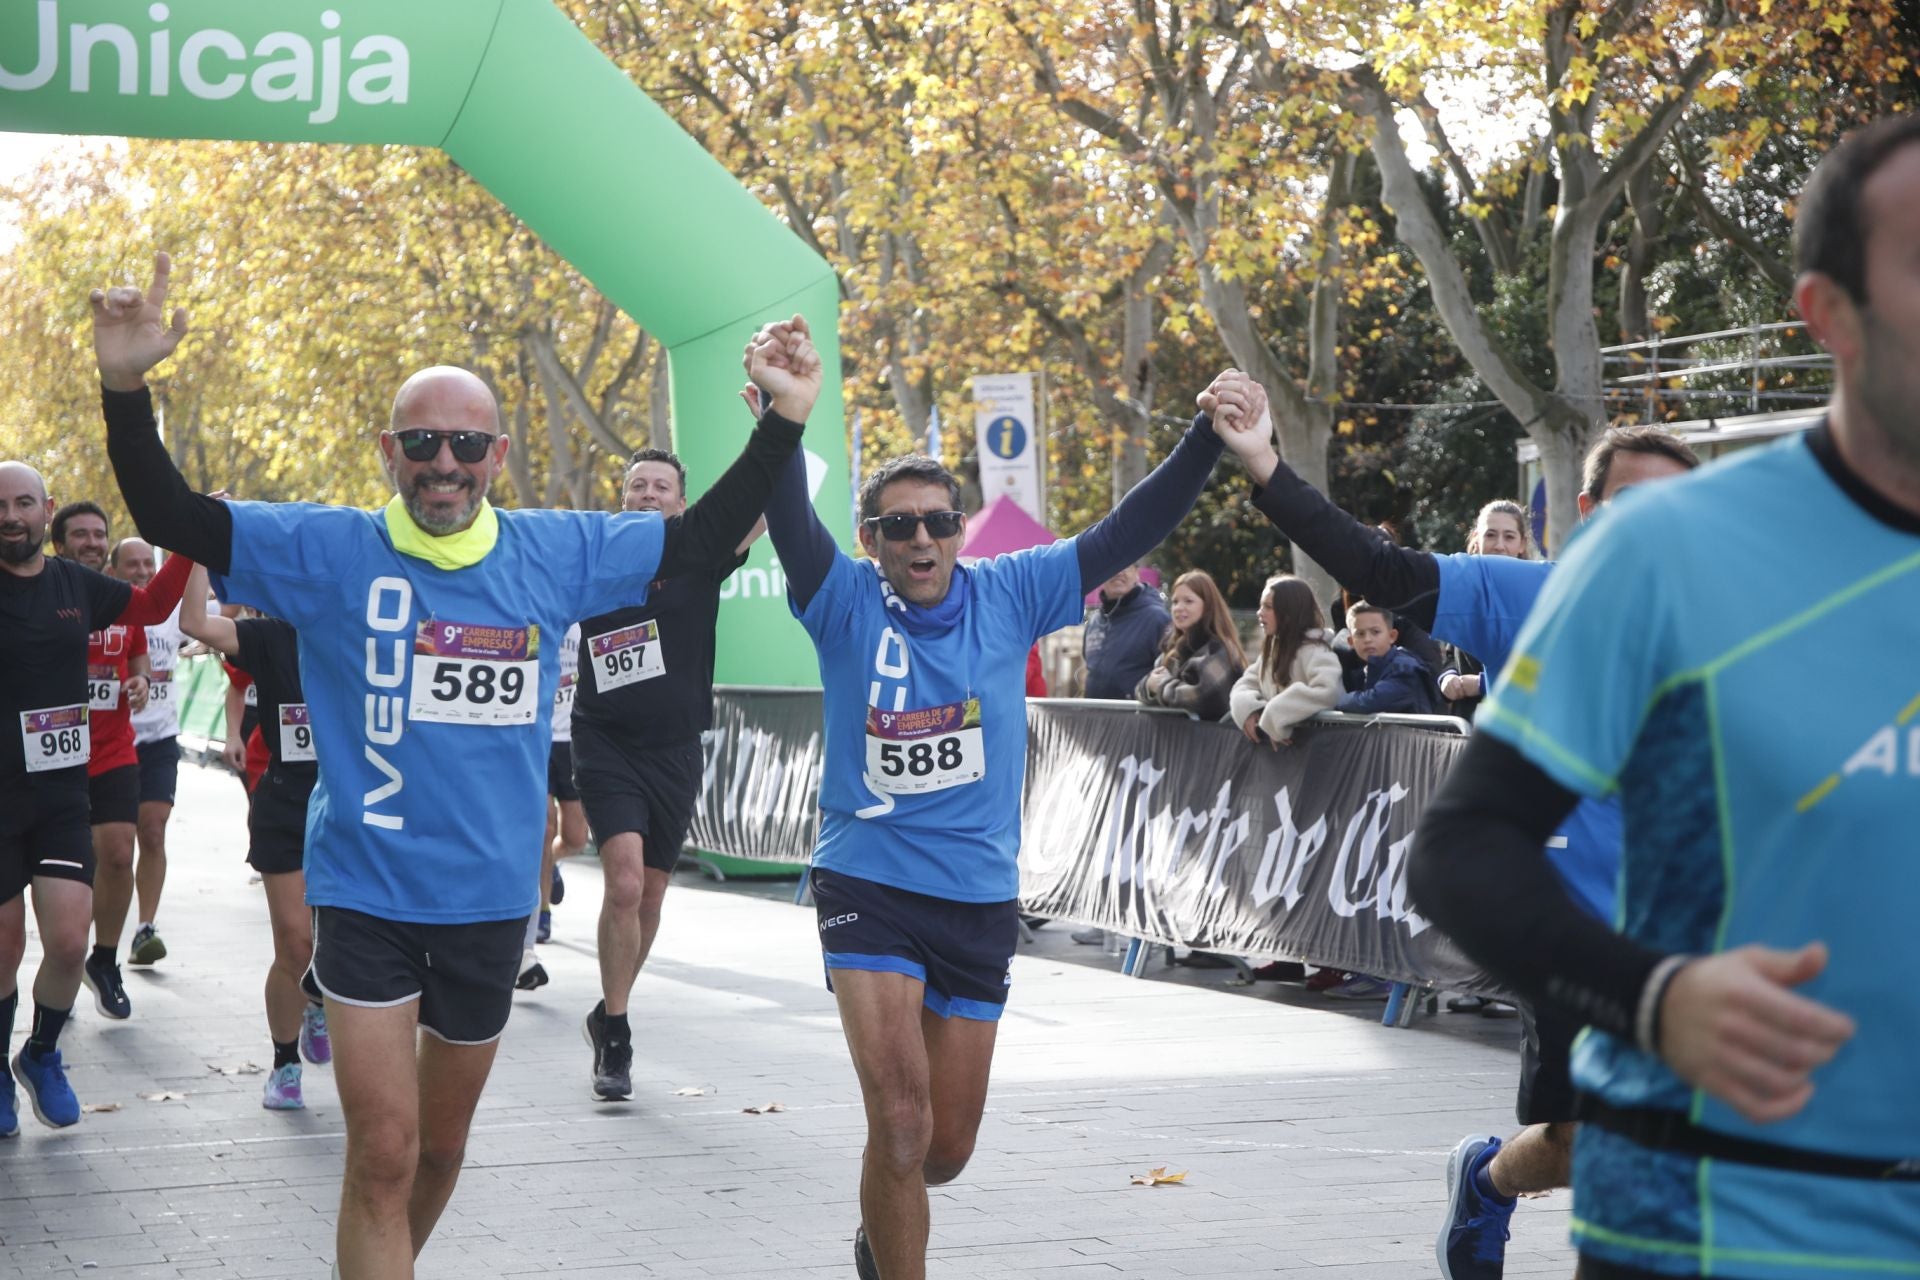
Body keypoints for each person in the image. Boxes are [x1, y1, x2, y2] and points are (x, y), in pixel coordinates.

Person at [90, 251, 803, 1278]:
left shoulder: (554, 550)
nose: (443, 461)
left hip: (488, 906)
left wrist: (779, 422)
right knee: (382, 1152)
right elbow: (171, 516)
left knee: (440, 1150)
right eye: (421, 441)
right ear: (389, 448)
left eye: (465, 442)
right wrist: (126, 387)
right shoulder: (329, 549)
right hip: (368, 889)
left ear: (496, 453)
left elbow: (694, 547)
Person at [1409, 115, 1920, 1280]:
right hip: (1719, 1219)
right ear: (1828, 316)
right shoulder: (1668, 552)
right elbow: (1462, 845)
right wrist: (1651, 996)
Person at [751, 314, 1275, 1280]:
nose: (922, 537)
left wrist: (1208, 434)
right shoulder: (842, 600)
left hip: (980, 893)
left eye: (939, 520)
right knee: (900, 1124)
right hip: (867, 877)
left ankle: (880, 1230)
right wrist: (785, 415)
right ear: (871, 540)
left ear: (960, 530)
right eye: (899, 525)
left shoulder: (1011, 590)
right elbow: (788, 521)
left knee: (943, 1151)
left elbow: (1129, 529)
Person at [1219, 368, 1698, 1279]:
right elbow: (1378, 569)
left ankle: (1497, 1182)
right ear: (1591, 510)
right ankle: (1487, 1179)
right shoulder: (1527, 595)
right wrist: (1265, 464)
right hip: (1567, 927)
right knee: (1589, 1144)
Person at [0, 462, 187, 1133]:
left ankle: (41, 1053)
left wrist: (190, 537)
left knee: (70, 942)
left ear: (42, 510)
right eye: (1, 505)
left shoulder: (74, 585)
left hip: (58, 794)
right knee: (4, 946)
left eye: (24, 503)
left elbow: (154, 608)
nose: (12, 516)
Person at [574, 447, 766, 1102]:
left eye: (662, 486)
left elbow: (761, 505)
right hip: (604, 740)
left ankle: (607, 1011)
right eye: (637, 485)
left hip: (676, 747)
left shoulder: (700, 554)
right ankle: (620, 1034)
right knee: (623, 883)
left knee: (650, 896)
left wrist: (776, 427)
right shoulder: (593, 555)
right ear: (621, 499)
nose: (649, 493)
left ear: (682, 504)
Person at [176, 562, 331, 1110]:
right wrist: (195, 552)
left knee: (346, 943)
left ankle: (318, 996)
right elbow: (195, 622)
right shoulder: (270, 635)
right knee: (295, 943)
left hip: (354, 808)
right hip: (287, 802)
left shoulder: (365, 629)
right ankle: (285, 1063)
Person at [52, 502, 152, 1023]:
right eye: (80, 534)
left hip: (113, 749)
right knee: (61, 876)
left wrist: (139, 680)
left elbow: (139, 657)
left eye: (99, 534)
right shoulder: (41, 591)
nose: (91, 541)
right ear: (59, 543)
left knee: (118, 855)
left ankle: (105, 960)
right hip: (51, 757)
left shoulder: (121, 600)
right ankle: (59, 967)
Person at [111, 537, 181, 969]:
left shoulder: (169, 612)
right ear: (113, 570)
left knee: (152, 832)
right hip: (109, 743)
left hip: (159, 739)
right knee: (112, 850)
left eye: (147, 564)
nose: (141, 571)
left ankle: (145, 929)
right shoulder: (103, 610)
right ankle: (95, 937)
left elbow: (222, 614)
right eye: (131, 564)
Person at [1437, 500, 1535, 714]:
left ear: (1522, 544)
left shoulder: (1538, 596)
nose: (1499, 545)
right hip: (1465, 727)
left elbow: (1543, 672)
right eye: (1490, 535)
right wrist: (1448, 677)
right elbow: (1451, 656)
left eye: (1509, 537)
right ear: (1476, 540)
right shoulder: (1461, 594)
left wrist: (1482, 683)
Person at [1226, 574, 1344, 748]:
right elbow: (1244, 685)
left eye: (1267, 607)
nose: (1260, 613)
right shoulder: (1272, 649)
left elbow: (1330, 691)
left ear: (1289, 612)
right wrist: (1249, 709)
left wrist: (1275, 714)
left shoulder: (1315, 651)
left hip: (1315, 754)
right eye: (1261, 606)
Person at [1134, 569, 1246, 722]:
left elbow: (1201, 697)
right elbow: (1143, 687)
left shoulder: (1220, 649)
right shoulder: (1171, 651)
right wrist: (1149, 686)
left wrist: (1159, 686)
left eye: (1188, 601)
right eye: (1175, 602)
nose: (1179, 608)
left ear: (1207, 607)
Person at [1080, 561, 1169, 698]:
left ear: (1136, 573)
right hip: (1096, 716)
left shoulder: (1157, 619)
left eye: (1126, 565)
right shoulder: (1094, 621)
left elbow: (1168, 675)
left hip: (1138, 717)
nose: (1118, 572)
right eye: (1112, 565)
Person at [1337, 602, 1442, 716]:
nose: (1367, 639)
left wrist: (1341, 701)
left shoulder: (1404, 668)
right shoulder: (1366, 671)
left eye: (1375, 632)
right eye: (1360, 634)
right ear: (1351, 642)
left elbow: (1370, 702)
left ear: (1392, 636)